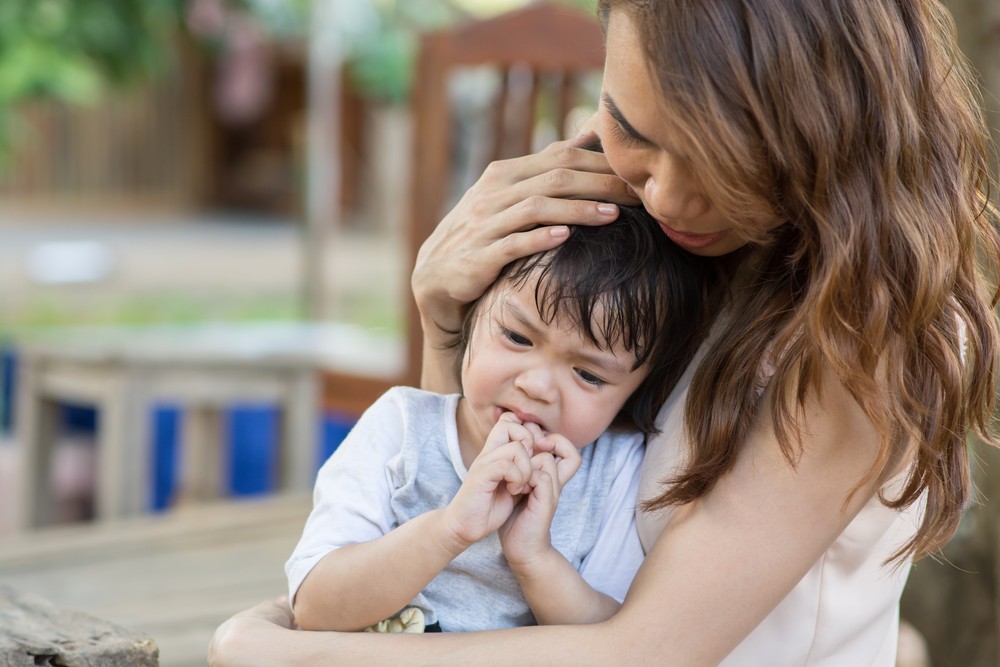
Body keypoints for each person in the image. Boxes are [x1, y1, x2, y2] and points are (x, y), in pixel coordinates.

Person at [210, 0, 1000, 664]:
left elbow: (642, 651)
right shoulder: (670, 242)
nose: (667, 196)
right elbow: (466, 538)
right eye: (632, 128)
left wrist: (277, 648)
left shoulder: (866, 340)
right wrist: (447, 325)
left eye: (724, 163)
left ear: (818, 137)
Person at [287, 207, 711, 633]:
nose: (537, 385)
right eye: (517, 336)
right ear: (472, 314)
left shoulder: (615, 471)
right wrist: (451, 529)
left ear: (634, 392)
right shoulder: (403, 427)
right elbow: (313, 606)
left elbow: (614, 639)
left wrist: (534, 558)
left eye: (588, 374)